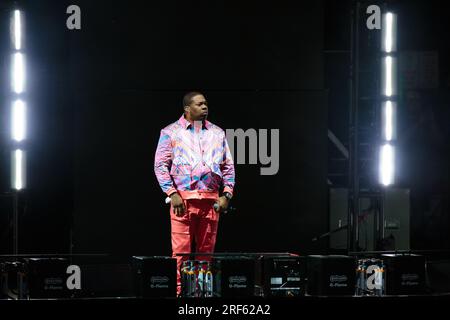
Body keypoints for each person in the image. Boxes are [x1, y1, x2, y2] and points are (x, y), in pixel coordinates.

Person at [154, 91, 235, 295]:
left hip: (211, 201)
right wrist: (172, 193)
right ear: (187, 109)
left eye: (206, 103)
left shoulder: (217, 133)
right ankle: (179, 293)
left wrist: (227, 194)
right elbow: (160, 165)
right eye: (199, 104)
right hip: (182, 201)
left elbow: (228, 167)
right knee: (180, 252)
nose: (205, 107)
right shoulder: (170, 132)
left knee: (205, 253)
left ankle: (201, 293)